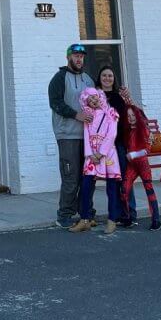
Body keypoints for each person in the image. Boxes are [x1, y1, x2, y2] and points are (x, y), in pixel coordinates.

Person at [48, 43, 94, 229]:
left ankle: (86, 212)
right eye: (75, 56)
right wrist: (76, 115)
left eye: (81, 56)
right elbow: (55, 103)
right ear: (68, 57)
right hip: (67, 135)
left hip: (87, 136)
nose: (79, 59)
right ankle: (64, 215)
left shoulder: (88, 79)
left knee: (87, 177)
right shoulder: (59, 78)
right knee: (71, 176)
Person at [70, 88, 122, 234]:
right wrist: (90, 154)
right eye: (90, 99)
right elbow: (86, 135)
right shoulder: (88, 116)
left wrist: (100, 153)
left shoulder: (111, 112)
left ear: (100, 97)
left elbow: (112, 134)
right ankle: (84, 219)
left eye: (95, 97)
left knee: (111, 187)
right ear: (86, 102)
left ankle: (112, 220)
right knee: (86, 185)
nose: (93, 100)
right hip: (92, 155)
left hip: (107, 154)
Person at [94, 65, 137, 228]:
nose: (107, 78)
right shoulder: (95, 96)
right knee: (112, 181)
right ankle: (117, 214)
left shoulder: (120, 97)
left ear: (114, 79)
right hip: (102, 145)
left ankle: (130, 213)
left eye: (110, 76)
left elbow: (131, 115)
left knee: (125, 178)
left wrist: (128, 98)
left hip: (118, 143)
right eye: (104, 75)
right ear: (100, 78)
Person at [122, 103, 161, 231]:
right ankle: (128, 218)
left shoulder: (143, 129)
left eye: (133, 115)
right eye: (128, 116)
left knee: (149, 190)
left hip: (142, 164)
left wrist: (133, 154)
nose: (131, 118)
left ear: (137, 116)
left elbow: (147, 150)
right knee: (124, 190)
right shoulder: (128, 131)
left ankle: (156, 220)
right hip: (132, 165)